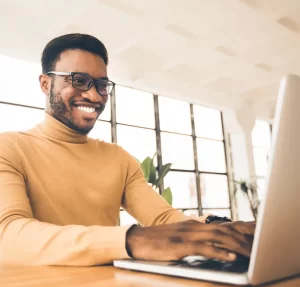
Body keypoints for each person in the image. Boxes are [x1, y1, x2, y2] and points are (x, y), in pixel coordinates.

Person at [0, 33, 255, 267]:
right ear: (45, 83)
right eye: (79, 80)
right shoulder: (9, 148)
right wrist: (131, 240)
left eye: (101, 85)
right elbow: (8, 234)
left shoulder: (117, 158)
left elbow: (163, 218)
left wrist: (222, 228)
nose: (94, 96)